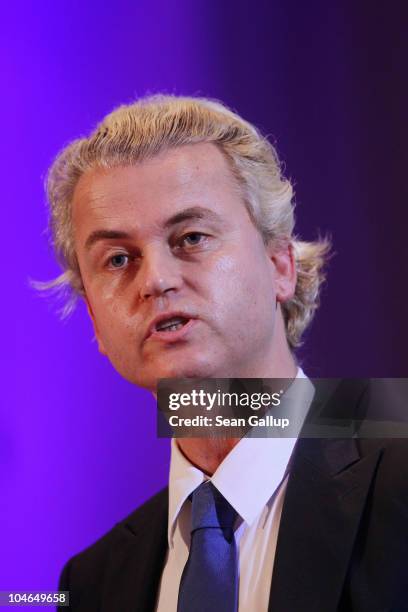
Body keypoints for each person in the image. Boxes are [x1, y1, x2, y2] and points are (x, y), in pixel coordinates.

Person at [43, 95, 407, 611]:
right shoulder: (90, 585)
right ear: (95, 322)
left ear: (281, 264)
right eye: (118, 258)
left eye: (191, 237)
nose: (156, 280)